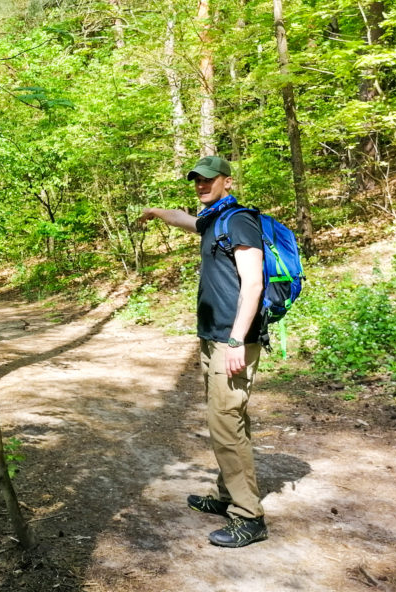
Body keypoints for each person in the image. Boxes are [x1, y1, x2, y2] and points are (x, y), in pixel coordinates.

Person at [139, 155, 268, 548]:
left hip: (234, 340)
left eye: (209, 179)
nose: (201, 184)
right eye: (196, 179)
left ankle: (249, 517)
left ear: (227, 181)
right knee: (228, 421)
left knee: (225, 425)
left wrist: (235, 340)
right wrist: (156, 212)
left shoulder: (240, 219)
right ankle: (229, 497)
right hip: (214, 338)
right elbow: (187, 220)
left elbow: (254, 284)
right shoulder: (215, 219)